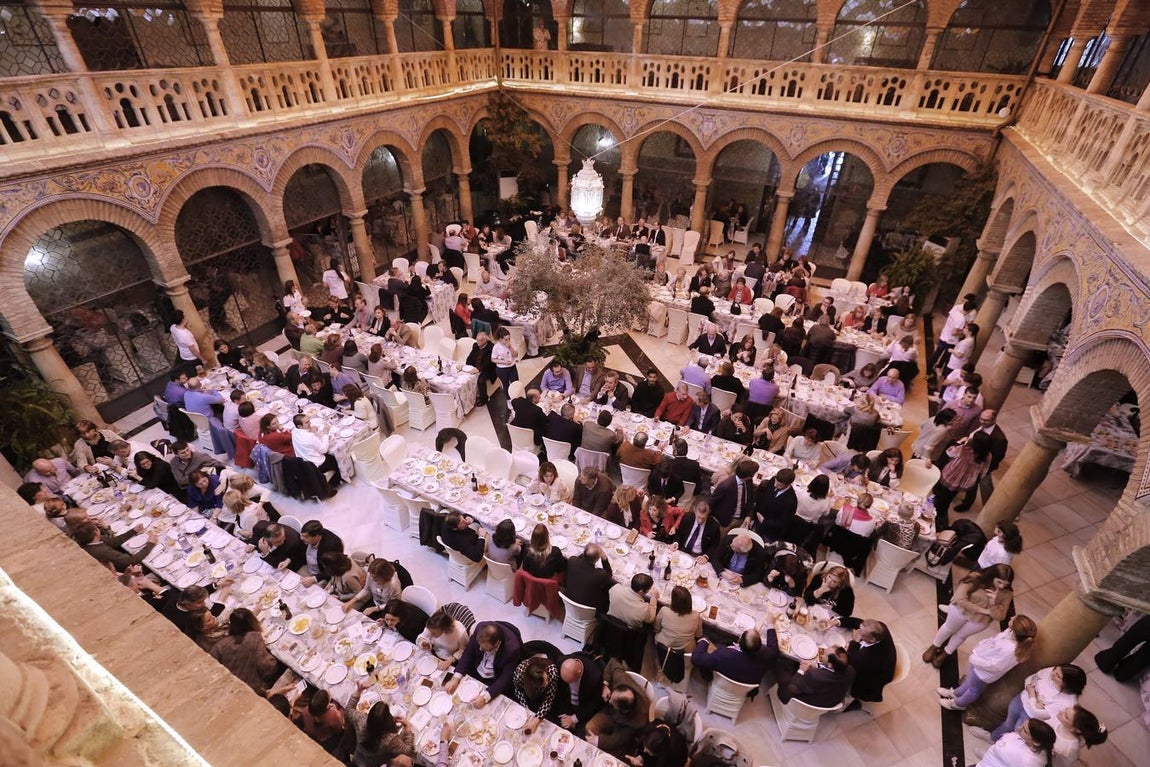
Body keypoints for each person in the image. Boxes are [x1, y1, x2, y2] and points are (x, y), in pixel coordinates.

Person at [939, 615, 1039, 712]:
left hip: (983, 673)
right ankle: (955, 693)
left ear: (1016, 629)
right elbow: (994, 641)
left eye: (1014, 619)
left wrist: (974, 659)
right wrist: (979, 647)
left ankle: (957, 704)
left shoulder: (1010, 650)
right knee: (969, 681)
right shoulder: (1010, 632)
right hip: (979, 662)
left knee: (973, 690)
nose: (1011, 617)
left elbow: (994, 666)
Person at [924, 564, 1014, 669]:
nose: (1002, 586)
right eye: (999, 582)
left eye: (1005, 584)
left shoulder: (1007, 593)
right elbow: (960, 599)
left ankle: (944, 655)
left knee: (960, 636)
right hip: (960, 611)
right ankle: (933, 647)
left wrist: (993, 603)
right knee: (948, 628)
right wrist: (984, 611)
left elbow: (1000, 617)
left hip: (980, 621)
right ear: (991, 575)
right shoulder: (975, 578)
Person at [988, 662, 1086, 741]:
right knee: (1007, 724)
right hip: (1020, 701)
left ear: (1067, 684)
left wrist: (1031, 692)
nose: (1052, 673)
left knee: (1017, 737)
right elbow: (1030, 679)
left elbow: (1038, 713)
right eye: (1055, 669)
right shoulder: (1056, 671)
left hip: (1029, 717)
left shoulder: (1067, 702)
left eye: (1058, 676)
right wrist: (1033, 697)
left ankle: (1002, 748)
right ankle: (993, 738)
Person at [445, 621, 523, 704]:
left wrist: (486, 697)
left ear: (496, 644)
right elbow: (468, 653)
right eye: (480, 646)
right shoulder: (480, 628)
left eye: (486, 649)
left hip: (493, 679)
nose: (480, 649)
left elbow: (505, 677)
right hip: (476, 669)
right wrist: (456, 678)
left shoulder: (512, 649)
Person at [209, 608, 280, 695]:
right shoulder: (254, 638)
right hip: (256, 689)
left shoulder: (219, 645)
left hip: (232, 688)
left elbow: (211, 666)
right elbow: (269, 668)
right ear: (252, 621)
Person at [932, 430, 993, 526]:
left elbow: (950, 452)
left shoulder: (964, 449)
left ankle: (939, 518)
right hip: (965, 480)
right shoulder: (987, 455)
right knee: (948, 498)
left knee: (941, 498)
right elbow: (984, 470)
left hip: (952, 475)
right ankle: (940, 515)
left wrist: (959, 442)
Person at [775, 646, 855, 708]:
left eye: (824, 654)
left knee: (782, 664)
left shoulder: (814, 676)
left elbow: (792, 687)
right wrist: (818, 666)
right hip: (830, 700)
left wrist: (801, 670)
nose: (822, 654)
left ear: (830, 665)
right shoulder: (851, 671)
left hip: (807, 703)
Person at [691, 629, 777, 685]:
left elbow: (695, 658)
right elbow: (774, 650)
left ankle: (707, 678)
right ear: (760, 646)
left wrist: (704, 641)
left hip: (722, 683)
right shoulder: (766, 656)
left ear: (739, 640)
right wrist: (770, 625)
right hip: (744, 686)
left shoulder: (722, 655)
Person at [845, 620, 897, 708]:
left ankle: (851, 705)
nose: (858, 632)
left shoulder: (868, 659)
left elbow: (850, 662)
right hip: (878, 668)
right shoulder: (881, 627)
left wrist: (854, 642)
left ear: (872, 639)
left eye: (861, 633)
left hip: (867, 684)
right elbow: (859, 622)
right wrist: (838, 622)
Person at [552, 653, 606, 733]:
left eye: (571, 681)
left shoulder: (595, 678)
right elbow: (559, 688)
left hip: (583, 707)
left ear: (579, 671)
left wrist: (574, 719)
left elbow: (593, 704)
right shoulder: (561, 661)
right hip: (567, 702)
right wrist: (563, 711)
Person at [73, 520, 156, 571]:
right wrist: (150, 544)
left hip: (122, 561)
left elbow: (113, 542)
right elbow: (131, 561)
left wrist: (133, 531)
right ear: (96, 533)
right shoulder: (101, 551)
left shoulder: (91, 541)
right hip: (126, 569)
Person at [974, 719, 1056, 767]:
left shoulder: (1029, 762)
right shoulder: (1030, 744)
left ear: (1036, 742)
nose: (1018, 728)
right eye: (1022, 725)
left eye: (1025, 730)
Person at [291, 413, 343, 485]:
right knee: (335, 457)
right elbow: (323, 449)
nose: (310, 423)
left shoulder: (294, 431)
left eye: (309, 421)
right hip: (318, 464)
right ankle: (336, 480)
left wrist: (310, 430)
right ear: (299, 426)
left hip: (305, 462)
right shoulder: (309, 436)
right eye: (307, 423)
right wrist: (326, 433)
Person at [512, 655, 559, 732]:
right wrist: (526, 709)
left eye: (546, 679)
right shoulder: (519, 674)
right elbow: (518, 690)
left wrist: (537, 718)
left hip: (544, 698)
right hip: (529, 696)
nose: (547, 684)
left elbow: (549, 699)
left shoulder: (552, 671)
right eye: (542, 683)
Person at [563, 543, 614, 612]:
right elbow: (609, 574)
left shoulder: (572, 560)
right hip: (586, 607)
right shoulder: (599, 574)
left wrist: (587, 553)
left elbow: (579, 558)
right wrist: (604, 558)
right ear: (597, 559)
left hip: (569, 598)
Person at [752, 467, 798, 540]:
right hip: (758, 519)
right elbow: (764, 496)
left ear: (788, 484)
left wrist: (764, 521)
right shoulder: (774, 480)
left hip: (770, 530)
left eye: (779, 485)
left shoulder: (791, 502)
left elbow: (783, 522)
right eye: (775, 482)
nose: (775, 485)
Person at [675, 497, 721, 563]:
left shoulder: (714, 526)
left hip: (699, 556)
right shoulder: (687, 517)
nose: (700, 520)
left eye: (703, 518)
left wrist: (706, 556)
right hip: (683, 550)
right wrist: (676, 542)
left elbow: (715, 545)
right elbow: (679, 533)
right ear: (694, 510)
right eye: (699, 517)